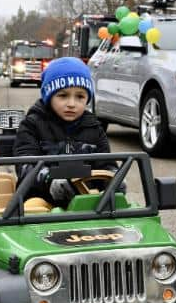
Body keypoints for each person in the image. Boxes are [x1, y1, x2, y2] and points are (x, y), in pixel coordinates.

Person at [13, 57, 116, 206]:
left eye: (80, 96)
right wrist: (50, 180)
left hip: (86, 203)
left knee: (117, 205)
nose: (72, 104)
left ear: (88, 98)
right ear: (49, 96)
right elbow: (25, 166)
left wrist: (115, 179)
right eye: (63, 95)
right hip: (42, 202)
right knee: (33, 205)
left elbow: (106, 164)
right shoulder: (32, 125)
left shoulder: (93, 127)